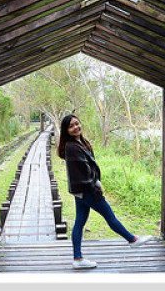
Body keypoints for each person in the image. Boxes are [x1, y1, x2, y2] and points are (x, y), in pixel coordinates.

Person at [57, 114, 153, 269]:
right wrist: (97, 185)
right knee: (109, 216)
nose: (76, 127)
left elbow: (87, 167)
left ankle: (78, 259)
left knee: (79, 222)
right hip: (87, 190)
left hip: (81, 190)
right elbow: (84, 172)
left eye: (77, 123)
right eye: (71, 126)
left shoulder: (80, 142)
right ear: (66, 130)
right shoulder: (72, 147)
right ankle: (132, 240)